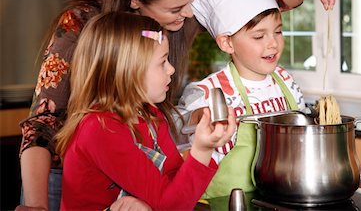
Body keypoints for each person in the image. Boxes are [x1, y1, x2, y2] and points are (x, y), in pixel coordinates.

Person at [17, 0, 361, 210]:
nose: (190, 15)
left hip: (145, 170)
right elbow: (43, 123)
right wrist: (35, 205)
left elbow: (258, 5)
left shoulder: (153, 117)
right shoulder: (81, 26)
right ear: (137, 1)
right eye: (178, 8)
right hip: (72, 179)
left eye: (193, 1)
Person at [177, 0, 361, 199]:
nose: (272, 43)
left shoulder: (284, 81)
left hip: (278, 200)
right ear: (227, 42)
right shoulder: (208, 94)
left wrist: (338, 173)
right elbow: (180, 159)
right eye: (259, 36)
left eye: (278, 31)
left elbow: (304, 148)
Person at [54, 12, 236, 210]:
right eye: (162, 62)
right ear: (128, 71)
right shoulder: (100, 129)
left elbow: (176, 186)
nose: (171, 70)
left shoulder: (151, 116)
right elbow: (171, 206)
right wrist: (202, 150)